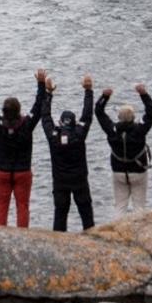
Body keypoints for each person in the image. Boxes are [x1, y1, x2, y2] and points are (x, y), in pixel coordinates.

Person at [0, 67, 46, 227]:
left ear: (4, 111)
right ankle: (22, 236)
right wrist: (41, 84)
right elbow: (38, 107)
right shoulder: (26, 124)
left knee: (1, 206)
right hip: (22, 171)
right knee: (22, 206)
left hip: (2, 171)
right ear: (19, 110)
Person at [95, 83, 152, 218]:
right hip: (138, 172)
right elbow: (151, 113)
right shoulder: (139, 130)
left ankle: (117, 234)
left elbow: (98, 112)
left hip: (119, 172)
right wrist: (143, 94)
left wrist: (104, 96)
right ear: (133, 117)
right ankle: (138, 234)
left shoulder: (112, 130)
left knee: (120, 206)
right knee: (139, 206)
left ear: (119, 117)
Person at [42, 74, 95, 231]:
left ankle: (59, 242)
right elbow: (87, 115)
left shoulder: (53, 136)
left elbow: (45, 117)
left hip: (60, 180)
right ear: (74, 123)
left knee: (60, 213)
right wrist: (88, 91)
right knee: (86, 214)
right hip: (79, 179)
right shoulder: (79, 134)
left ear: (59, 123)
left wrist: (48, 93)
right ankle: (93, 240)